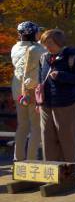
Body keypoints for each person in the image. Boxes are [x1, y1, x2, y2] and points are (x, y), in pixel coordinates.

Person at [38, 28, 75, 163]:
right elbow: (40, 77)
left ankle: (67, 169)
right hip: (46, 102)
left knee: (65, 135)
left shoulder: (72, 57)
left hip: (67, 102)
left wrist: (61, 76)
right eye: (44, 43)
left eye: (49, 43)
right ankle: (50, 167)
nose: (46, 46)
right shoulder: (44, 57)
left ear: (59, 42)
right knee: (47, 136)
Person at [10, 21, 45, 162]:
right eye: (37, 32)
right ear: (33, 33)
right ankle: (31, 159)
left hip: (18, 89)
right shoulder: (37, 49)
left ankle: (17, 158)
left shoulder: (15, 47)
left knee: (22, 125)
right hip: (32, 89)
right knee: (36, 127)